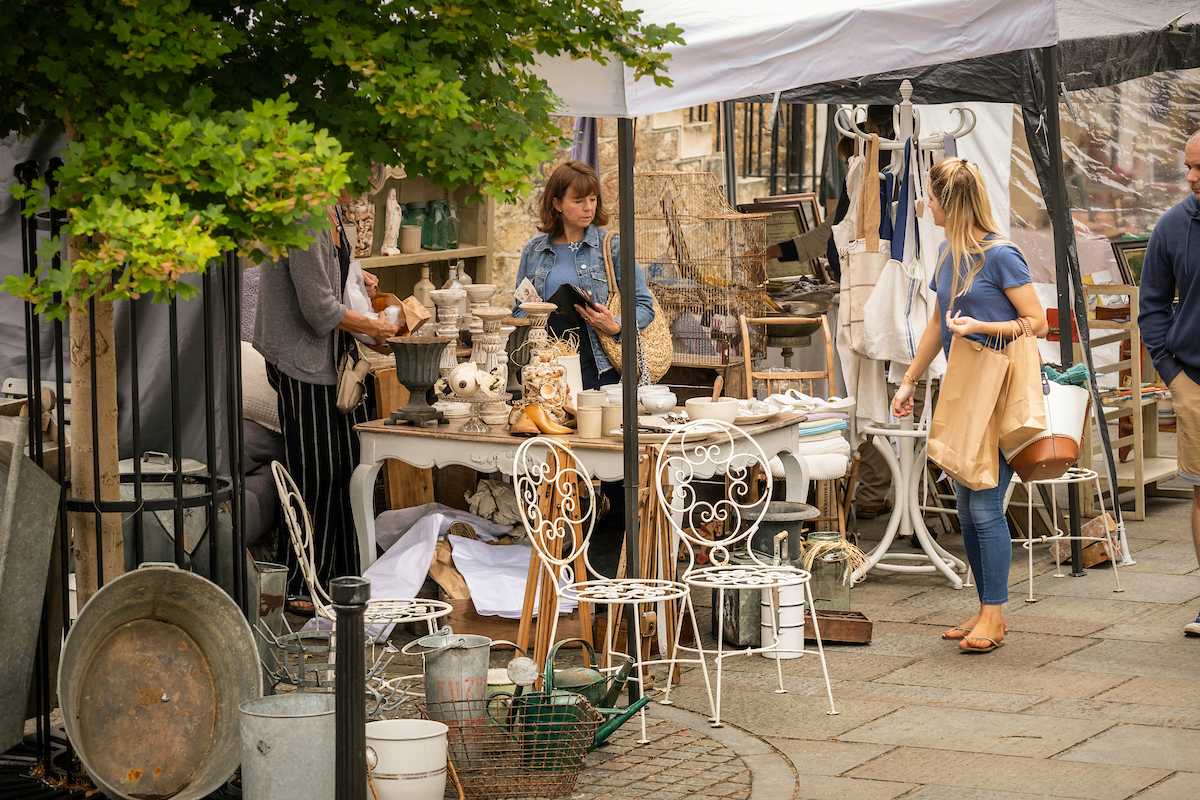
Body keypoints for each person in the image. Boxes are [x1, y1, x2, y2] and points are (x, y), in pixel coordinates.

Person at [891, 158, 1047, 653]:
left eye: (932, 200)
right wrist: (909, 380)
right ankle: (985, 609)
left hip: (997, 390)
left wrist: (981, 329)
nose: (927, 207)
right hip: (964, 389)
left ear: (951, 204)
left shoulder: (1002, 255)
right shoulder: (946, 252)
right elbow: (939, 324)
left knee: (983, 504)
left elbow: (1037, 323)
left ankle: (996, 616)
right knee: (965, 503)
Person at [254, 196, 400, 609]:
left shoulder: (331, 211)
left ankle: (341, 575)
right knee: (315, 474)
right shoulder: (303, 214)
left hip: (326, 357)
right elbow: (319, 309)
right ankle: (300, 583)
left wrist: (357, 277)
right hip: (300, 359)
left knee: (346, 465)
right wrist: (373, 326)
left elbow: (324, 274)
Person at [513, 160, 656, 391]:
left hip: (599, 365)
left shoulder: (612, 247)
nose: (588, 208)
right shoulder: (534, 250)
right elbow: (518, 310)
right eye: (578, 201)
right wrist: (535, 314)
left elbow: (644, 306)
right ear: (557, 203)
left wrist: (615, 326)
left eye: (592, 199)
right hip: (545, 364)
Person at [1138, 130, 1200, 637]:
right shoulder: (1172, 226)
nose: (1193, 177)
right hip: (1195, 381)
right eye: (1188, 167)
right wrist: (1174, 377)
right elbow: (1152, 307)